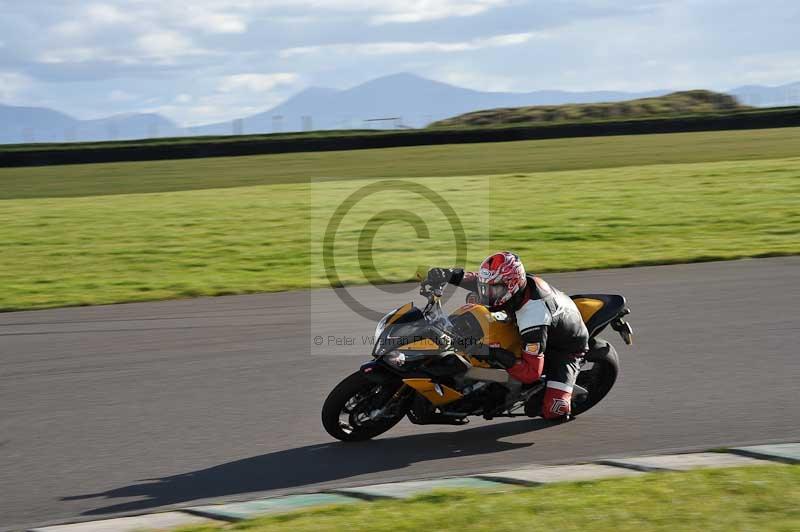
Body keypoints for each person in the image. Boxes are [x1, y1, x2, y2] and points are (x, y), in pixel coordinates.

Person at [422, 252, 589, 421]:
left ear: (512, 285)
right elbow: (477, 280)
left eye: (494, 289)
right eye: (486, 287)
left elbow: (531, 373)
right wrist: (447, 274)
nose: (487, 293)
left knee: (553, 410)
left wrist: (493, 353)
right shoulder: (508, 285)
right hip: (526, 320)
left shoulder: (533, 317)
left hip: (564, 347)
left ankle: (552, 393)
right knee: (474, 307)